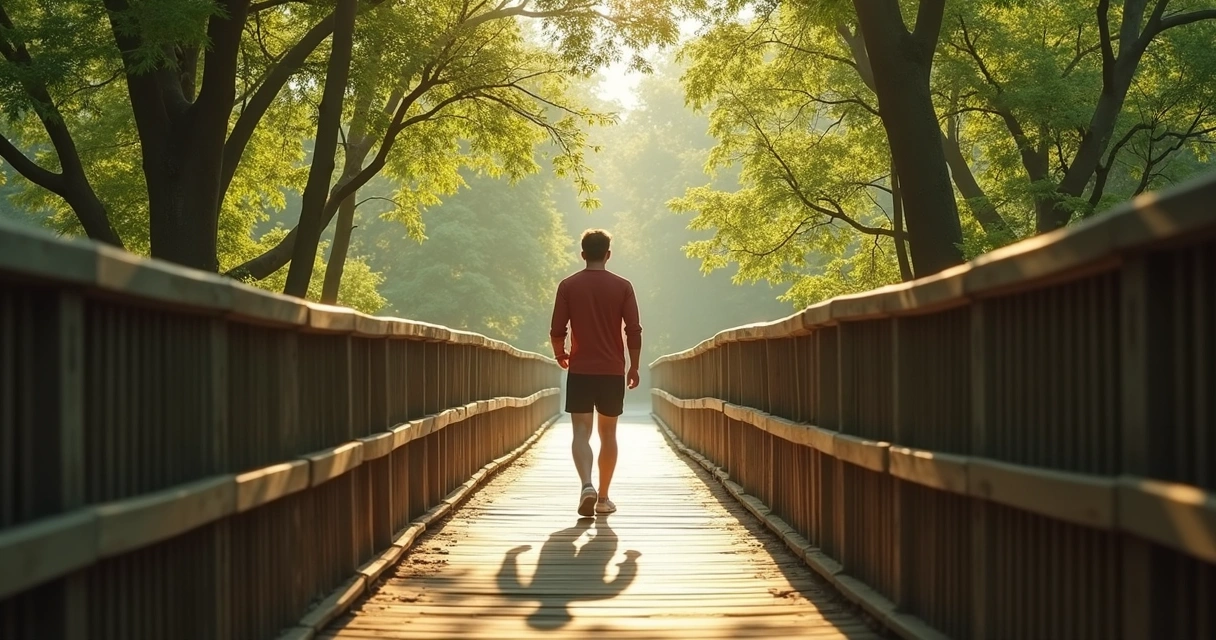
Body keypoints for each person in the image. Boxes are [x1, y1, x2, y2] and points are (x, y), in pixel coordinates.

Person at [549, 229, 642, 517]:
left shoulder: (568, 286)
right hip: (612, 370)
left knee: (580, 431)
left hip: (580, 369)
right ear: (608, 254)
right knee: (608, 433)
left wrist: (560, 353)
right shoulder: (623, 286)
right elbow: (633, 330)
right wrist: (634, 365)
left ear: (583, 254)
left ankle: (586, 484)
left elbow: (557, 330)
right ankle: (603, 498)